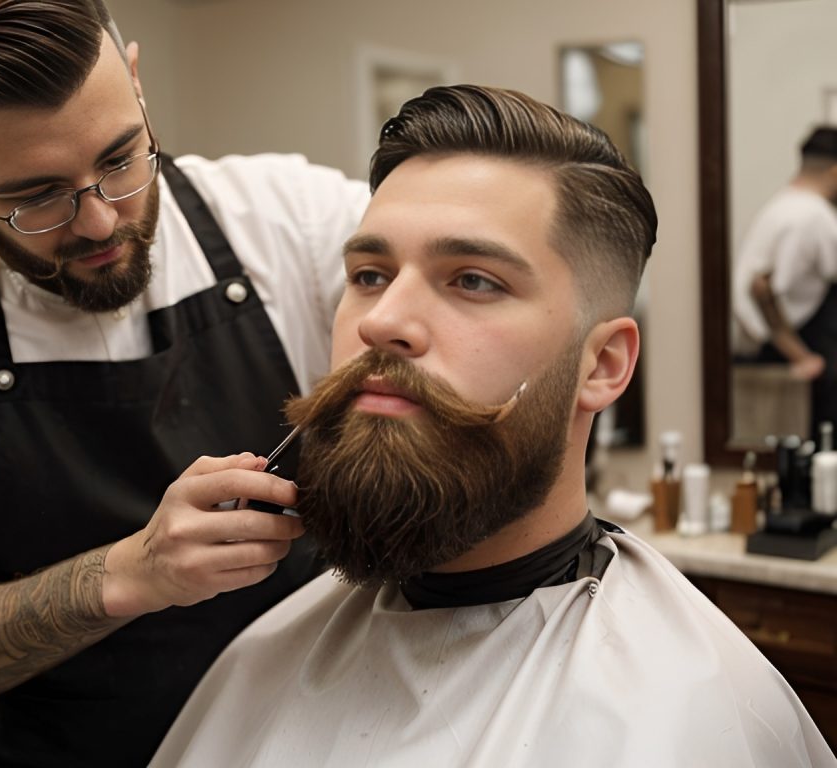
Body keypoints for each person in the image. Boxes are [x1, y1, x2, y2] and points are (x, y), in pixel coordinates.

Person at [149, 86, 835, 767]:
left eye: (473, 280)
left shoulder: (690, 720)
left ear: (601, 365)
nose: (382, 320)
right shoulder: (267, 655)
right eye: (368, 273)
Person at [0, 1, 367, 765]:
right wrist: (130, 573)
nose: (102, 222)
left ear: (136, 88)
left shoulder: (291, 219)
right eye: (37, 196)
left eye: (120, 159)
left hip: (316, 736)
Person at [731, 126, 837, 434]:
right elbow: (762, 289)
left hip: (767, 348)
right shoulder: (813, 216)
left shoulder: (780, 206)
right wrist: (801, 355)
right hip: (794, 351)